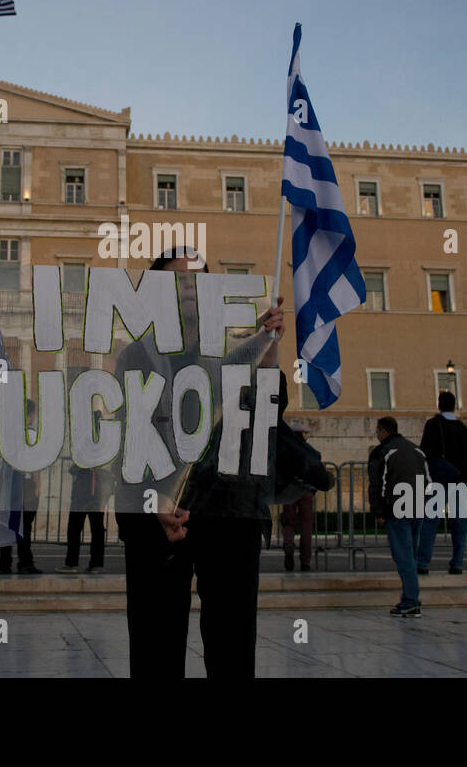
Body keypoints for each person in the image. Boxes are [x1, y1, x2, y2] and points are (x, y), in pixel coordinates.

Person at [113, 246, 286, 678]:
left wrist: (270, 348)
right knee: (156, 642)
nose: (189, 284)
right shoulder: (137, 357)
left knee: (231, 641)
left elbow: (267, 415)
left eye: (197, 278)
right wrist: (153, 505)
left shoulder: (236, 351)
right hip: (161, 517)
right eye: (177, 279)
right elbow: (130, 444)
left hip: (229, 511)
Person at [416, 391, 467, 576]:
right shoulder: (463, 429)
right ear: (454, 405)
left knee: (430, 522)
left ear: (439, 404)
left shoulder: (433, 425)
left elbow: (425, 452)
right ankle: (457, 563)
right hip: (459, 480)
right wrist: (465, 470)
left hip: (439, 478)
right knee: (459, 523)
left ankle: (423, 563)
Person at [368, 416, 428, 617]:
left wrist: (379, 511)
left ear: (383, 431)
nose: (377, 436)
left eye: (377, 432)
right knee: (409, 555)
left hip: (397, 509)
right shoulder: (417, 450)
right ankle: (408, 599)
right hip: (417, 507)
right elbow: (428, 481)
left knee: (403, 557)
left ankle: (411, 601)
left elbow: (377, 484)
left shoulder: (383, 452)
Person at [0, 399, 41, 575]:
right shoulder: (31, 436)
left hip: (8, 482)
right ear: (30, 417)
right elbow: (35, 463)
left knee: (8, 525)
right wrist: (38, 485)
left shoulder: (6, 435)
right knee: (24, 527)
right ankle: (25, 562)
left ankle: (5, 563)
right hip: (25, 482)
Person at [59, 430, 109, 575]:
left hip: (83, 494)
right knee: (96, 529)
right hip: (95, 494)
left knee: (75, 528)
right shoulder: (104, 450)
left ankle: (72, 563)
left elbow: (76, 468)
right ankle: (96, 564)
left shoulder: (87, 449)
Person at [280, 419, 316, 572]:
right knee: (306, 526)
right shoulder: (309, 450)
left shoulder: (284, 450)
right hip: (306, 491)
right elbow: (316, 471)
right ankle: (305, 561)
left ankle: (288, 543)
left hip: (289, 491)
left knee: (289, 522)